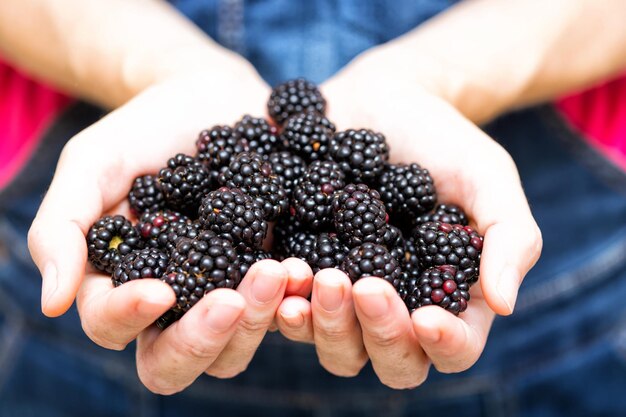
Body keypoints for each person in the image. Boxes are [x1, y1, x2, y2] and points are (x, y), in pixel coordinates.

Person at [1, 0, 625, 415]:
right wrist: (165, 67)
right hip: (69, 348)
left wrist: (437, 74)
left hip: (567, 300)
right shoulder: (218, 198)